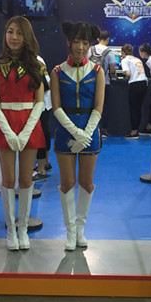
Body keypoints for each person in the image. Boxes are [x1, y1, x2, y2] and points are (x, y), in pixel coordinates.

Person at [0, 16, 45, 250]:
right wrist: (8, 131)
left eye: (19, 33)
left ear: (27, 36)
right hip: (5, 123)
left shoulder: (37, 65)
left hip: (30, 123)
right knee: (9, 180)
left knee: (26, 179)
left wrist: (26, 131)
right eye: (10, 32)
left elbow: (40, 101)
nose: (14, 37)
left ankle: (23, 229)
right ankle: (11, 230)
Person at [50, 21, 105, 251]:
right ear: (68, 42)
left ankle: (81, 228)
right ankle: (70, 230)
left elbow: (99, 106)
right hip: (65, 131)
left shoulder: (98, 71)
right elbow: (56, 107)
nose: (80, 47)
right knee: (67, 183)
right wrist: (75, 133)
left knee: (86, 182)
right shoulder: (57, 72)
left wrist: (86, 134)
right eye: (76, 41)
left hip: (90, 131)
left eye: (85, 42)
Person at [88, 30, 116, 137]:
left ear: (98, 39)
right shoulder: (110, 52)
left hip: (89, 82)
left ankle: (90, 128)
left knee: (90, 105)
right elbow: (112, 69)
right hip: (104, 83)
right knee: (103, 106)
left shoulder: (90, 49)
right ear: (108, 39)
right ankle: (102, 129)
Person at [121, 44, 148, 139]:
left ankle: (133, 132)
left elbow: (128, 73)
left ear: (123, 52)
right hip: (144, 84)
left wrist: (125, 75)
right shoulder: (137, 59)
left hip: (134, 85)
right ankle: (136, 130)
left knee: (133, 109)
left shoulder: (125, 60)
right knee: (138, 108)